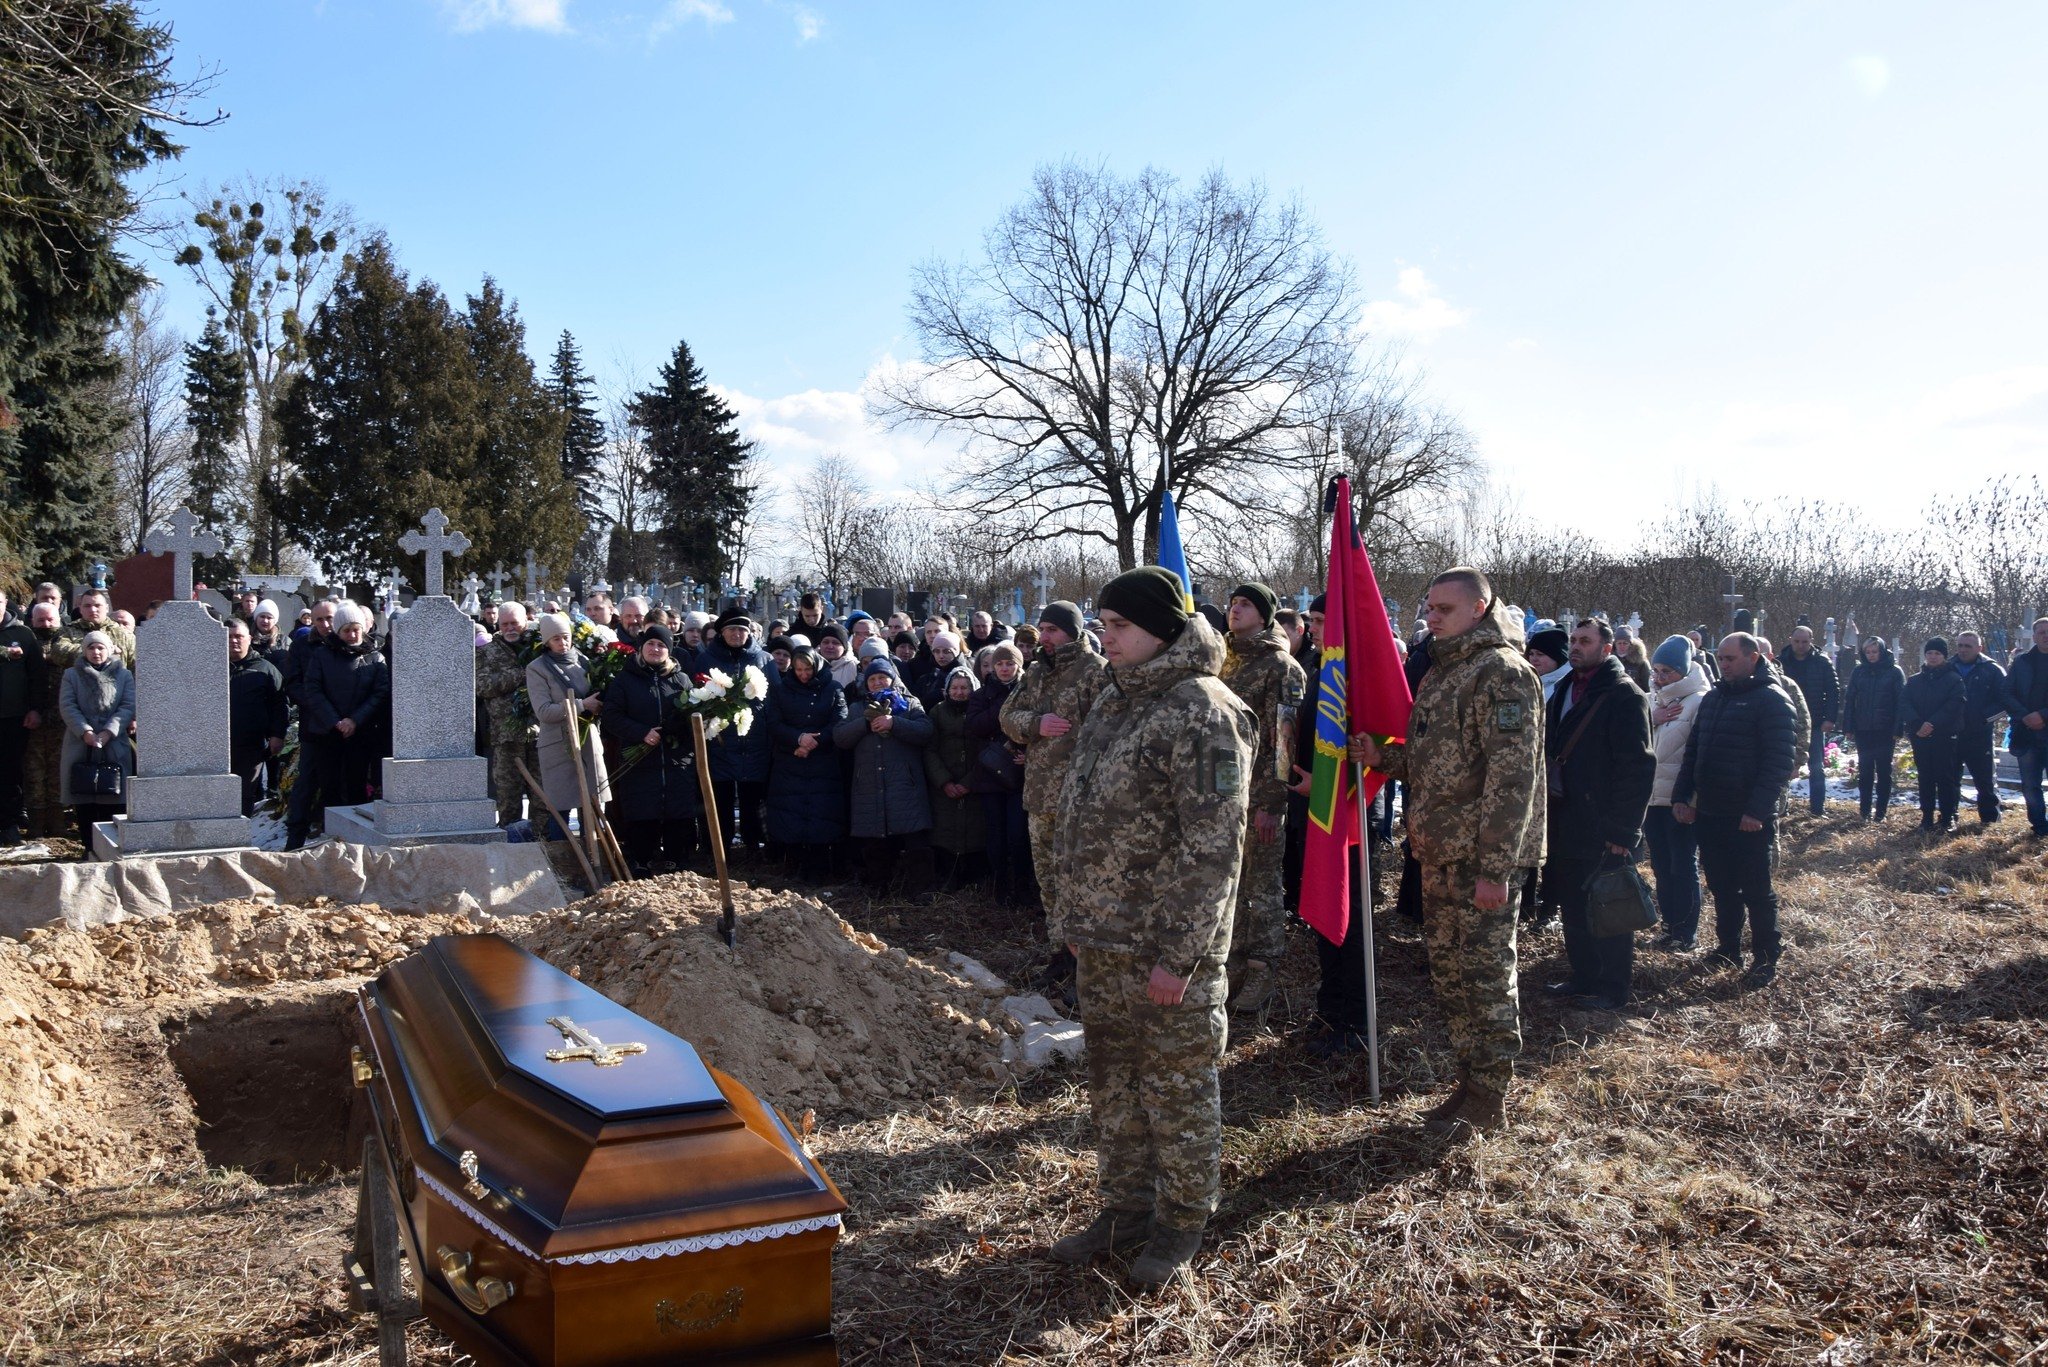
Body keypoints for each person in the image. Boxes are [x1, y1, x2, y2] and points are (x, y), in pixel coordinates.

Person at [1047, 567, 1255, 1289]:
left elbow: (1215, 848)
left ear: (1162, 629)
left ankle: (1181, 1219)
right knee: (1114, 1082)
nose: (1105, 637)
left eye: (1119, 626)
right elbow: (1084, 813)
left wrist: (1180, 956)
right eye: (1102, 624)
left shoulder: (1204, 709)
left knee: (1175, 1086)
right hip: (1104, 938)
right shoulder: (1116, 695)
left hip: (1165, 949)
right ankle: (1126, 1207)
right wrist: (1075, 916)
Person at [1350, 568, 1544, 1138]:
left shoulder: (1502, 673)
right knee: (1452, 976)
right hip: (1439, 851)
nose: (1431, 617)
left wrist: (1496, 869)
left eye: (1444, 609)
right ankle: (1469, 1081)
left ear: (1480, 608)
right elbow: (1436, 761)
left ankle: (1490, 1095)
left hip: (1479, 859)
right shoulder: (1443, 669)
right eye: (1429, 608)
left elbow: (1512, 782)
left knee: (1484, 976)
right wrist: (1382, 757)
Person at [1540, 618, 1654, 1011]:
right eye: (1573, 639)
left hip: (1603, 822)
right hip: (1564, 818)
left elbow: (1638, 768)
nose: (1575, 646)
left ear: (1607, 649)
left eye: (1585, 641)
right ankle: (1583, 976)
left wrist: (1623, 831)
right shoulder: (1564, 689)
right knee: (1573, 903)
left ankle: (1613, 987)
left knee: (1608, 903)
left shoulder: (1625, 695)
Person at [1671, 633, 1796, 981]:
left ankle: (1766, 957)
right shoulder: (1715, 698)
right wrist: (1682, 796)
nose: (1723, 665)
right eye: (1721, 659)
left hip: (1748, 816)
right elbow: (1693, 752)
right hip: (1711, 811)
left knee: (1756, 889)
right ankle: (1728, 949)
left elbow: (1778, 763)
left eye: (1730, 659)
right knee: (1722, 886)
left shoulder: (1772, 700)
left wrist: (1756, 811)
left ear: (1753, 657)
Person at [1001, 601, 1111, 985]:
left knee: (1080, 886)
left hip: (1080, 802)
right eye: (1042, 629)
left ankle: (1087, 968)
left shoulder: (1096, 672)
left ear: (1073, 632)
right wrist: (1036, 723)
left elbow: (1112, 731)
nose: (1044, 636)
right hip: (1040, 797)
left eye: (1052, 630)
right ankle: (1059, 955)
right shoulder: (1035, 672)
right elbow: (1007, 716)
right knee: (1048, 883)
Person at [1216, 582, 1305, 1021]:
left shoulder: (1281, 667)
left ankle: (1262, 966)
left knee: (1261, 885)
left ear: (1265, 615)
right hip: (1220, 794)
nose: (1235, 610)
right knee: (1228, 880)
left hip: (1259, 796)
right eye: (1233, 603)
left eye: (1246, 604)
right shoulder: (1223, 658)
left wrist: (1272, 803)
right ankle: (1232, 959)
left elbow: (1284, 745)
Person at [286, 603, 389, 850]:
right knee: (329, 788)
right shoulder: (322, 655)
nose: (352, 635)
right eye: (346, 630)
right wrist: (335, 721)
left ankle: (356, 844)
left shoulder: (375, 657)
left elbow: (379, 692)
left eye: (356, 629)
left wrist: (355, 720)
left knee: (356, 788)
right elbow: (313, 689)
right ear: (338, 631)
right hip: (327, 733)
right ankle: (330, 841)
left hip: (360, 733)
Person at [600, 625, 701, 874]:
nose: (655, 649)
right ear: (641, 648)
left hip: (676, 760)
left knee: (678, 810)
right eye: (651, 644)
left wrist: (680, 727)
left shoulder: (681, 680)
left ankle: (675, 860)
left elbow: (693, 714)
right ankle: (642, 861)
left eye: (661, 645)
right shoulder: (625, 679)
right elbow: (611, 716)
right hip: (640, 761)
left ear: (669, 650)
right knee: (642, 810)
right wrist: (641, 732)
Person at [834, 657, 935, 895]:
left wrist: (894, 723)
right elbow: (840, 737)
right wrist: (865, 724)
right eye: (872, 679)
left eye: (882, 677)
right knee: (875, 844)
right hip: (870, 785)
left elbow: (925, 731)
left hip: (905, 786)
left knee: (915, 842)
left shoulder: (909, 704)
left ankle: (920, 891)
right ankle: (878, 889)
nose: (877, 682)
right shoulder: (857, 708)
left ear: (892, 679)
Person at [1645, 635, 1708, 950]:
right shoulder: (1653, 701)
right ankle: (1669, 926)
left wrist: (1690, 799)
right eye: (1656, 671)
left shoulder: (1699, 701)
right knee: (1660, 864)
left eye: (1667, 672)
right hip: (1652, 797)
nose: (1659, 678)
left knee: (1681, 865)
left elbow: (1700, 755)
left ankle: (1685, 932)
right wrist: (1650, 719)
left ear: (1683, 671)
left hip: (1679, 798)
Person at [698, 610, 776, 861]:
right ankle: (720, 849)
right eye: (731, 629)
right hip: (720, 740)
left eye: (742, 629)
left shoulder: (764, 659)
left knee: (751, 798)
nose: (736, 634)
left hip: (754, 740)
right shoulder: (706, 659)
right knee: (721, 798)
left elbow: (774, 698)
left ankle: (753, 847)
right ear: (721, 632)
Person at [766, 641, 848, 880]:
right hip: (790, 759)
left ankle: (819, 868)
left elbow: (839, 720)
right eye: (799, 669)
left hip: (823, 760)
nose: (803, 675)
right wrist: (797, 739)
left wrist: (814, 742)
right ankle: (793, 866)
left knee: (821, 814)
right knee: (790, 814)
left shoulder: (832, 688)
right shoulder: (781, 689)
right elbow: (773, 723)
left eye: (808, 669)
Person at [525, 613, 607, 843]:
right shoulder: (537, 668)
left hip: (587, 740)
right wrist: (582, 705)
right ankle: (563, 857)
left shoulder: (584, 661)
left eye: (566, 637)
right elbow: (544, 711)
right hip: (557, 745)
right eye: (556, 639)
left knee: (592, 805)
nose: (562, 643)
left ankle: (594, 853)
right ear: (546, 641)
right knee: (560, 809)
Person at [58, 630, 135, 853]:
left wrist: (109, 732)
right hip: (80, 742)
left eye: (100, 647)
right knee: (84, 795)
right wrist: (86, 732)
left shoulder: (124, 675)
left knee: (114, 794)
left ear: (109, 649)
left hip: (114, 742)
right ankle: (89, 847)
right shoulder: (71, 675)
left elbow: (128, 705)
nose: (96, 652)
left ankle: (113, 846)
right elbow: (68, 705)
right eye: (91, 647)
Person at [966, 641, 1030, 903]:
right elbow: (975, 726)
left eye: (1010, 663)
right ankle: (999, 887)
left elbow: (1036, 727)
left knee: (1018, 834)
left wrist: (1030, 755)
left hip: (1019, 773)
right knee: (996, 834)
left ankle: (1023, 888)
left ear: (1019, 665)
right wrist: (1003, 703)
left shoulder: (1029, 692)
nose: (1004, 669)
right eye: (1000, 664)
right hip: (990, 774)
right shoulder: (981, 695)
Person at [924, 665, 988, 887]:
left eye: (964, 688)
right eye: (955, 688)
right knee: (945, 830)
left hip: (974, 782)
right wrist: (944, 781)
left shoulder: (980, 711)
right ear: (947, 689)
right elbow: (929, 750)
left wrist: (970, 781)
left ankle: (976, 879)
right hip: (945, 784)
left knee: (976, 829)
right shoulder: (937, 712)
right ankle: (948, 877)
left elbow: (986, 749)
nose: (959, 692)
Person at [477, 600, 537, 827]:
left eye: (515, 623)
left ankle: (540, 841)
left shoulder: (538, 648)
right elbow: (482, 686)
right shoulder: (487, 652)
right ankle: (509, 841)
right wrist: (521, 675)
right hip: (505, 736)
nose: (510, 628)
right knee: (508, 797)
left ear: (525, 622)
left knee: (541, 796)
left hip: (538, 732)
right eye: (505, 624)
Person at [1899, 637, 1965, 832]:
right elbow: (1904, 703)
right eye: (1929, 653)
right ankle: (1926, 816)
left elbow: (1954, 705)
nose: (1933, 657)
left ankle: (1947, 817)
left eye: (1937, 653)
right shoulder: (1914, 680)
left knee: (1945, 777)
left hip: (1944, 735)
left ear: (1944, 656)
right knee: (1925, 776)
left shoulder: (1954, 679)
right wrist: (1917, 724)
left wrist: (1932, 723)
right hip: (1920, 735)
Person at [0, 588, 48, 845]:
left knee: (10, 771)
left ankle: (9, 824)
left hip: (13, 716)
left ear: (5, 603)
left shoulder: (23, 634)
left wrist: (35, 709)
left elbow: (37, 676)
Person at [225, 618, 288, 817]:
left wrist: (277, 735)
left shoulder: (265, 669)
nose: (234, 640)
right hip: (216, 745)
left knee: (245, 794)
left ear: (250, 638)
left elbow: (280, 704)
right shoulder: (211, 667)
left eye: (238, 636)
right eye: (229, 637)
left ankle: (241, 831)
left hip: (251, 745)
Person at [1841, 636, 1905, 822]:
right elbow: (1850, 699)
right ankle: (1865, 810)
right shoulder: (1859, 671)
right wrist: (1848, 726)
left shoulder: (1894, 671)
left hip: (1885, 729)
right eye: (1868, 652)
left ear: (1882, 652)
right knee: (1865, 770)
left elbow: (1901, 702)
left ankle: (1881, 812)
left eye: (1874, 652)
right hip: (1864, 729)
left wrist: (1898, 728)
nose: (1871, 655)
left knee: (1884, 771)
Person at [1779, 625, 1841, 816]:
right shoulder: (1781, 662)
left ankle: (1817, 809)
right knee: (1783, 766)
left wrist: (1830, 718)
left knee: (1816, 767)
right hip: (1787, 722)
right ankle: (1782, 807)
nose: (1800, 645)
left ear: (1811, 641)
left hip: (1814, 722)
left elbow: (1833, 691)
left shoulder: (1821, 662)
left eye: (1805, 642)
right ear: (1790, 640)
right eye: (1797, 641)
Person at [1950, 631, 2008, 825]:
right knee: (1949, 779)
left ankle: (1990, 820)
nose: (1963, 650)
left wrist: (1983, 719)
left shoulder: (1992, 670)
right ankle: (1949, 817)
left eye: (1968, 646)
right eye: (1960, 645)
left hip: (1979, 735)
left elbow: (2006, 701)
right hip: (1952, 734)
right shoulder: (1947, 668)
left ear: (1979, 648)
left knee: (1985, 780)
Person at [22, 601, 66, 838]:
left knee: (59, 770)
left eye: (50, 619)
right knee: (34, 771)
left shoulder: (67, 640)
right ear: (33, 621)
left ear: (58, 619)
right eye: (41, 620)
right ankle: (36, 822)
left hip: (62, 718)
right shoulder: (27, 640)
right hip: (33, 718)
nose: (46, 624)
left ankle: (58, 820)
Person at [2002, 618, 2048, 837]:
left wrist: (2042, 715)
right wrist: (2025, 716)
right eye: (2041, 632)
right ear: (2035, 636)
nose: (2046, 636)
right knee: (2030, 784)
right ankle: (2039, 826)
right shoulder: (2022, 662)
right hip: (2026, 732)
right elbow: (2006, 693)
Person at [53, 589, 135, 670]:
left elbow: (137, 667)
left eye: (97, 605)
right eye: (87, 606)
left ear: (107, 608)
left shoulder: (124, 635)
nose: (92, 610)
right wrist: (102, 651)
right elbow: (57, 652)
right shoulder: (67, 631)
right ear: (80, 609)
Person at [1526, 627, 1571, 705]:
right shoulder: (1528, 681)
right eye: (1531, 654)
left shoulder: (1568, 686)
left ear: (1557, 657)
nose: (1534, 659)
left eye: (1540, 654)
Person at [1612, 626, 1652, 693]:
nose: (1622, 646)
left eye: (1625, 643)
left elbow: (1647, 686)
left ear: (1631, 644)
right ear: (1615, 644)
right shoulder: (1609, 660)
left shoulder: (1640, 662)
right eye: (1619, 643)